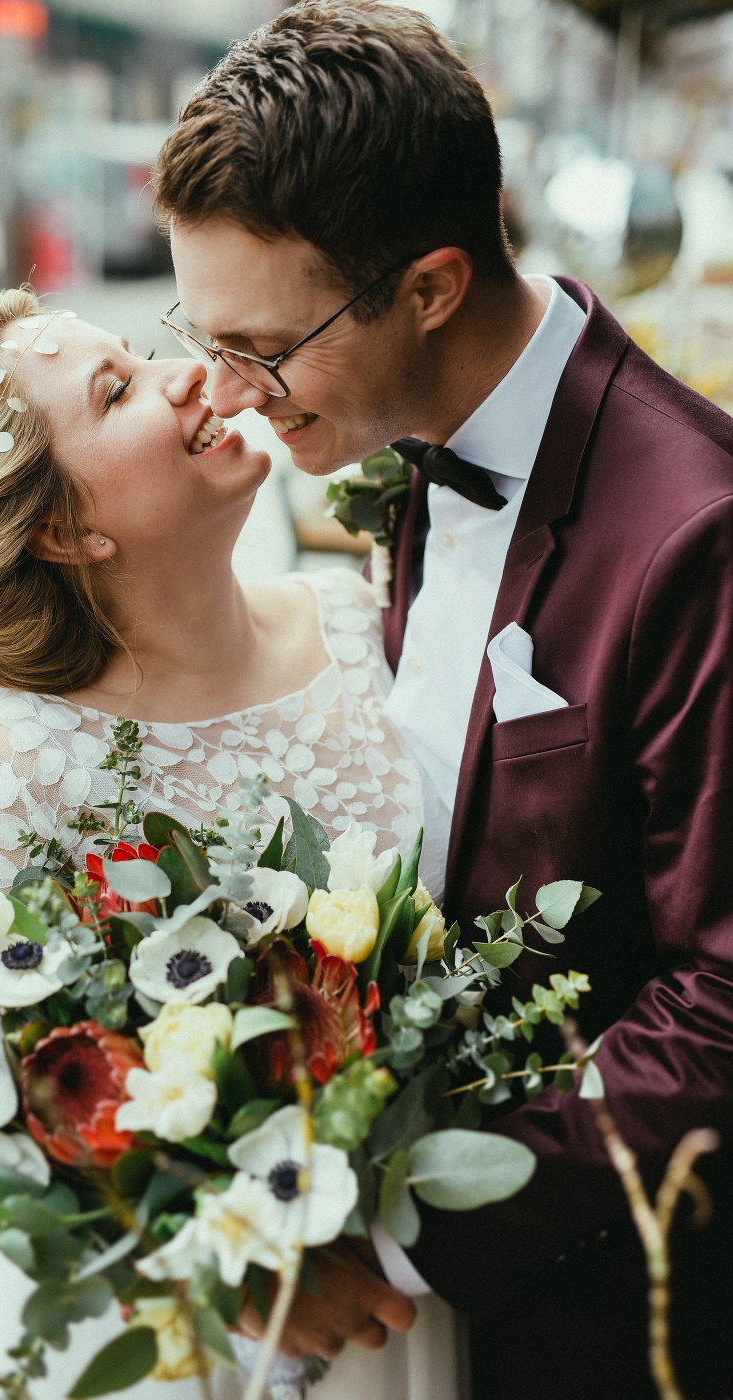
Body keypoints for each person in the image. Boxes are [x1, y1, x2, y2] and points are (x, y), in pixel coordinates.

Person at [151, 2, 733, 1398]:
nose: (229, 396)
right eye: (200, 329)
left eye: (264, 346)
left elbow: (720, 1003)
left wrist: (400, 1237)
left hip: (591, 1311)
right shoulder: (406, 434)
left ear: (425, 287)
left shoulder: (693, 529)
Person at [0, 286, 460, 1398]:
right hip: (191, 1335)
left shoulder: (354, 615)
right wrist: (222, 1251)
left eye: (140, 352)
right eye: (118, 389)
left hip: (412, 1275)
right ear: (63, 528)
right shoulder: (22, 771)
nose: (188, 370)